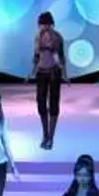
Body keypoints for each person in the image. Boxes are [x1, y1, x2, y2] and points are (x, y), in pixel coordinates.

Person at [31, 11, 66, 150]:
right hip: (41, 72)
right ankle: (45, 134)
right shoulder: (37, 37)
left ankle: (50, 137)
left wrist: (65, 73)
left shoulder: (57, 37)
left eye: (47, 24)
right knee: (40, 103)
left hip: (54, 73)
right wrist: (32, 70)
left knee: (53, 104)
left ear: (51, 24)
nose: (44, 27)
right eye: (42, 24)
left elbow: (61, 57)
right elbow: (36, 55)